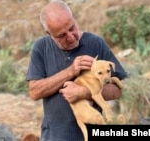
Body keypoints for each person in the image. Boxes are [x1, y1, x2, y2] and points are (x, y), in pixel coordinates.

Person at [26, 0, 128, 141]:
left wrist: (84, 92)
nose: (71, 36)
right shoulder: (41, 47)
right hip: (53, 137)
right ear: (48, 33)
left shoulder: (95, 43)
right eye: (62, 35)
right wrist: (70, 71)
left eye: (72, 28)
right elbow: (34, 91)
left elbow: (118, 90)